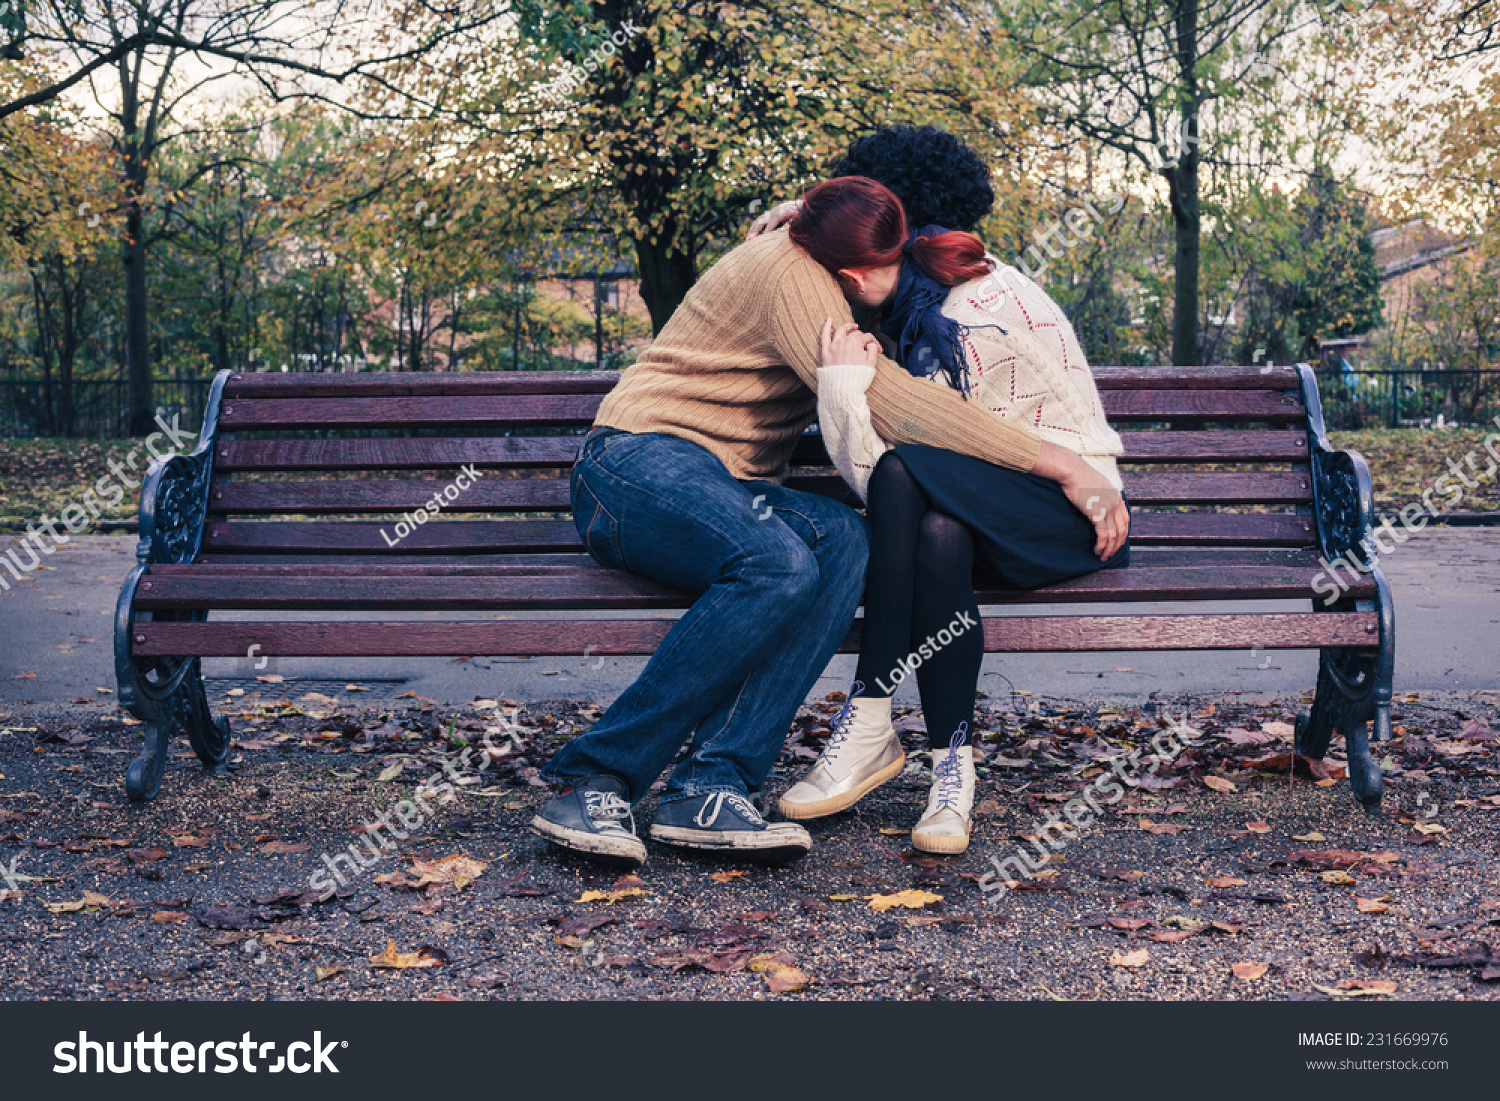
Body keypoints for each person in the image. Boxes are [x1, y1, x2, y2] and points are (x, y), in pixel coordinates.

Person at [531, 162, 1116, 873]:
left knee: (846, 541)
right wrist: (1060, 462)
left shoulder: (832, 257)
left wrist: (796, 204)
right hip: (636, 466)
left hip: (727, 485)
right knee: (775, 560)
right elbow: (893, 404)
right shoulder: (797, 274)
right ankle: (596, 775)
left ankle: (710, 784)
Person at [772, 175, 1130, 855]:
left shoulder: (964, 320)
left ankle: (870, 713)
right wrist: (794, 219)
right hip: (989, 509)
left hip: (1079, 514)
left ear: (850, 277)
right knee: (938, 535)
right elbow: (927, 487)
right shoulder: (922, 279)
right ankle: (951, 774)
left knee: (907, 470)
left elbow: (884, 473)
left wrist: (844, 385)